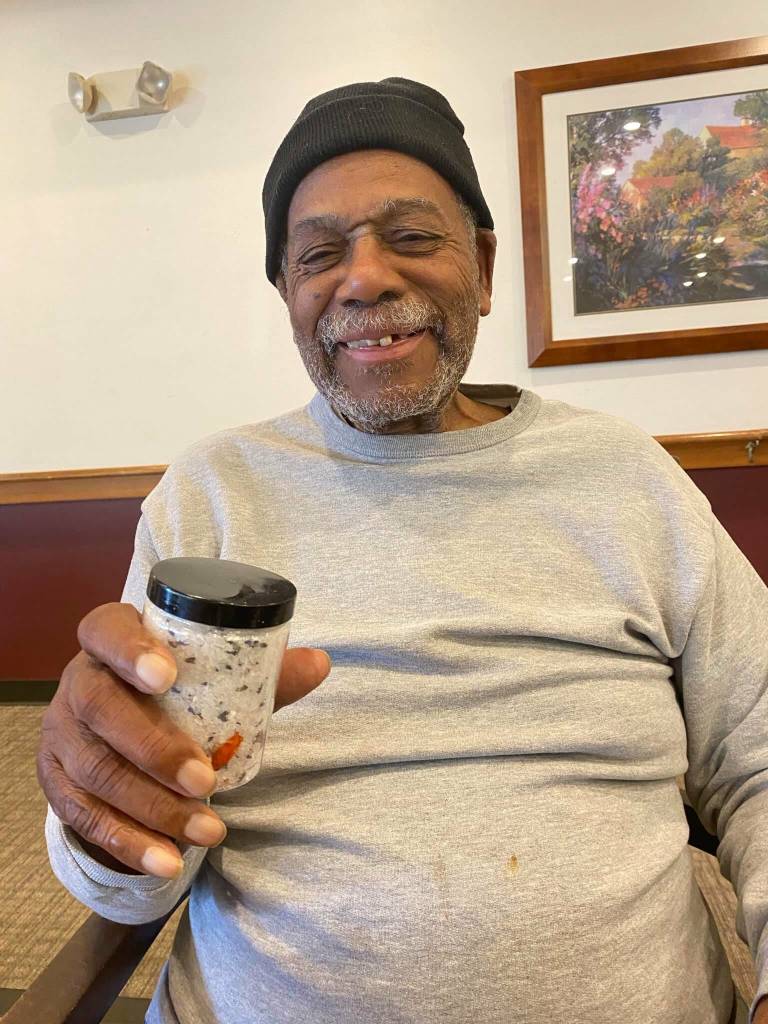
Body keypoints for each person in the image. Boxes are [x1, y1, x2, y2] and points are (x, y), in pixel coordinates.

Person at [39, 78, 767, 1024]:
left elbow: (759, 755)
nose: (365, 278)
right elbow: (135, 868)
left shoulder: (623, 475)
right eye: (319, 254)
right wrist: (100, 805)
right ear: (289, 294)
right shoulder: (214, 494)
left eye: (413, 236)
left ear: (485, 266)